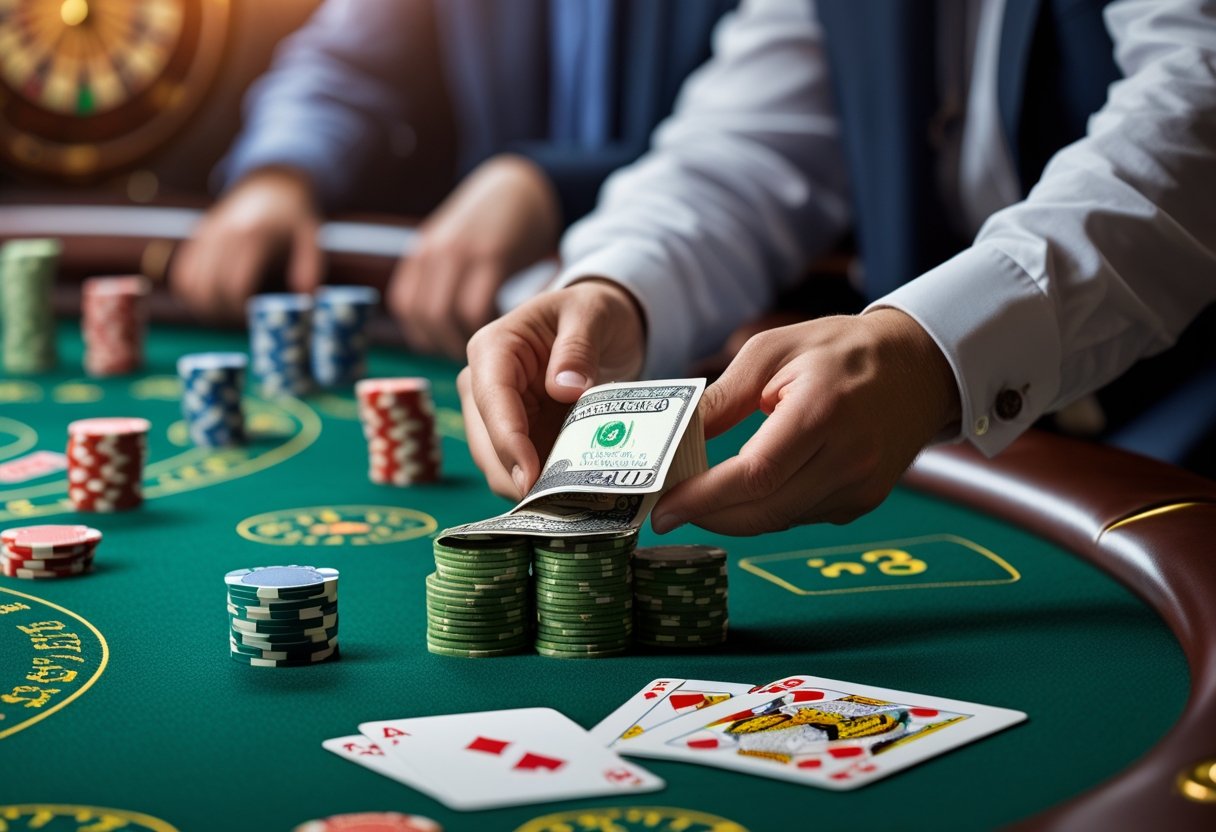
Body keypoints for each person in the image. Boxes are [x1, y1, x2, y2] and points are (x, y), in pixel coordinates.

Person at [459, 0, 1216, 535]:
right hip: (968, 467)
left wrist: (931, 351)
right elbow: (752, 146)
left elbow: (1196, 115)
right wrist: (612, 290)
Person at [171, 0, 735, 358]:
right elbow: (343, 64)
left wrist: (548, 182)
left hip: (722, 297)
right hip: (499, 308)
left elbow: (751, 134)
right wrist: (279, 172)